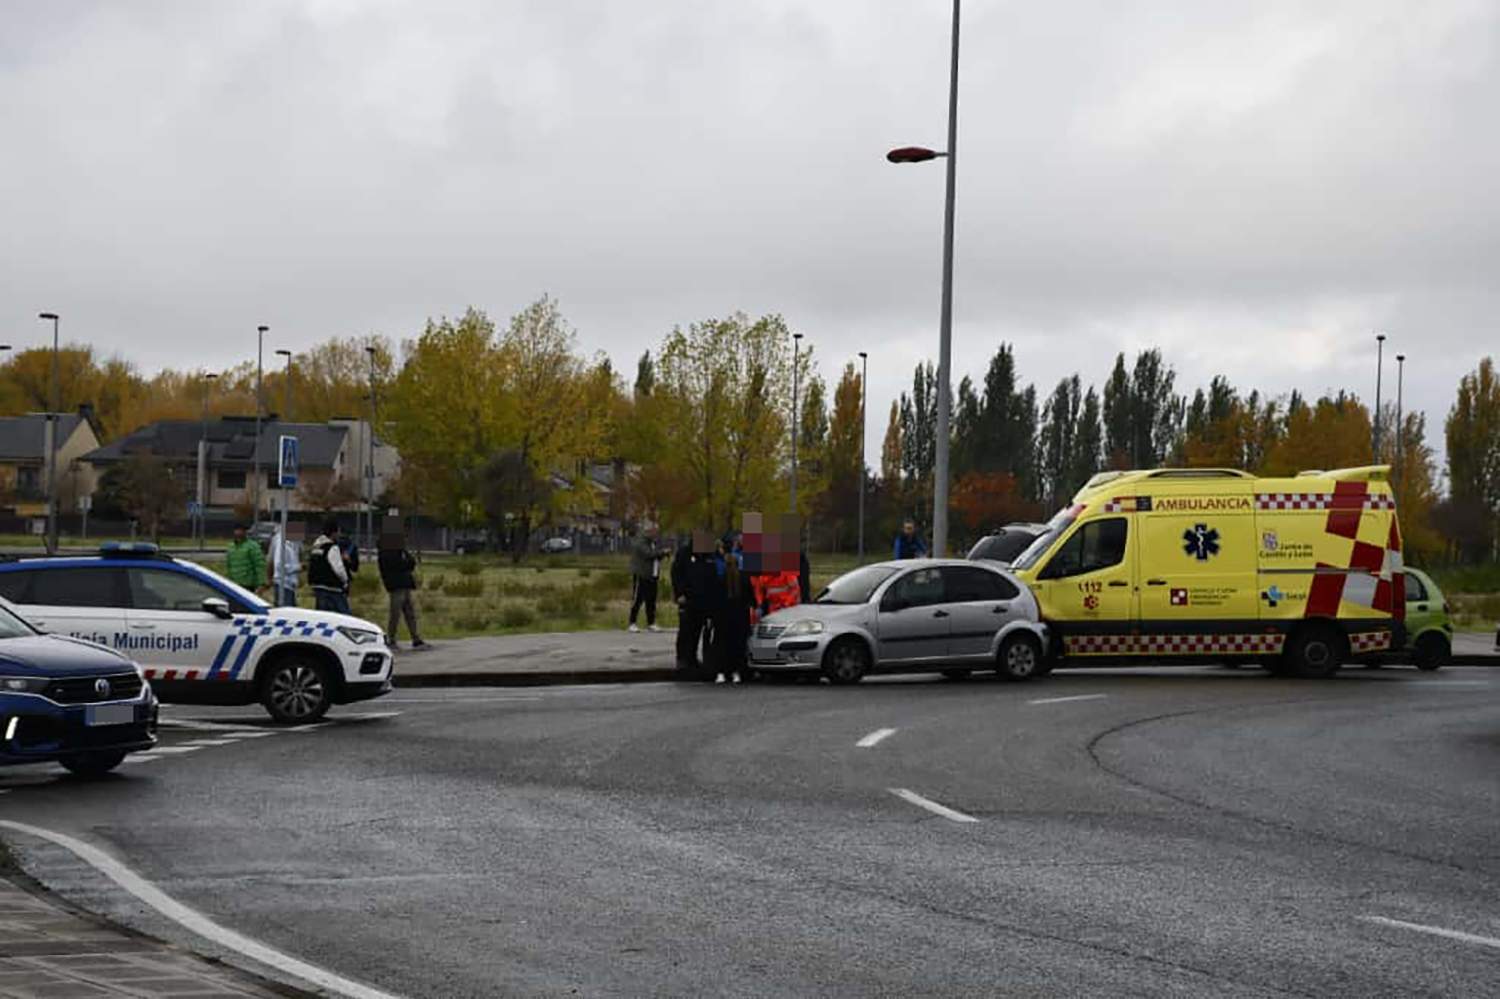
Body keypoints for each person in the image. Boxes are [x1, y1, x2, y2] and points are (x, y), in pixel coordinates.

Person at [713, 534, 752, 684]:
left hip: (723, 616)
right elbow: (750, 598)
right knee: (738, 645)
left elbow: (715, 598)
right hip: (740, 616)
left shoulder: (721, 580)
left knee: (721, 644)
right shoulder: (743, 579)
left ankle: (721, 672)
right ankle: (737, 672)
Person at [378, 531, 427, 650]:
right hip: (396, 584)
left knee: (410, 612)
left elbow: (411, 562)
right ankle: (391, 638)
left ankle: (415, 638)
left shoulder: (401, 551)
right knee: (395, 613)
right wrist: (406, 563)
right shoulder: (387, 553)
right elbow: (397, 565)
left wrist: (406, 561)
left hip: (405, 583)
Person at [627, 525, 666, 633]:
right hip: (642, 575)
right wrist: (662, 552)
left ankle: (651, 623)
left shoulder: (654, 543)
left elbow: (656, 555)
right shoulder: (641, 542)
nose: (656, 534)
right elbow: (648, 554)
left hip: (652, 575)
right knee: (638, 599)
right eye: (655, 532)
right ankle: (632, 622)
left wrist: (662, 554)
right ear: (648, 531)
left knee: (651, 599)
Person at [308, 517, 352, 615]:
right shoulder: (332, 548)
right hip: (332, 588)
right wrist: (345, 581)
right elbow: (338, 568)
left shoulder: (316, 546)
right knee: (344, 617)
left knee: (323, 618)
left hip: (318, 586)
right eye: (338, 532)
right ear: (333, 532)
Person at [225, 523, 267, 594]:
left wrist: (261, 583)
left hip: (248, 585)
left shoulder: (253, 546)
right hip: (233, 584)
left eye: (241, 530)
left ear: (245, 532)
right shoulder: (231, 547)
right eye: (237, 530)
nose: (238, 532)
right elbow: (228, 565)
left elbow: (259, 565)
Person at [267, 522, 302, 607]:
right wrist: (298, 567)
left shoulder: (291, 542)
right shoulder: (281, 542)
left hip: (289, 583)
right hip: (284, 583)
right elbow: (279, 565)